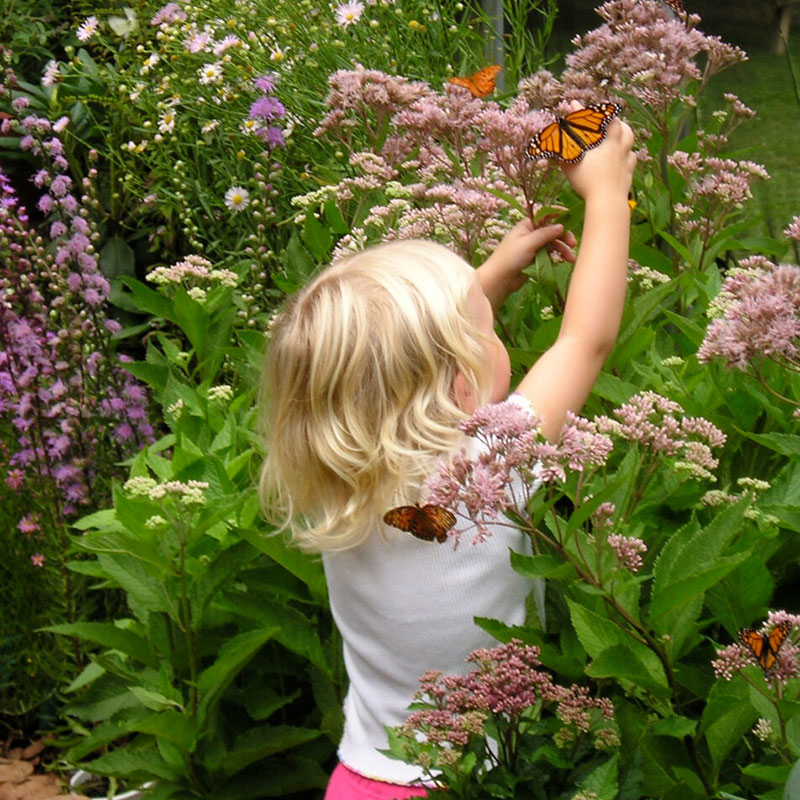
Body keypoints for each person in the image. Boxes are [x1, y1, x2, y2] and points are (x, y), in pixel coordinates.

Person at [258, 112, 636, 799]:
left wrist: (485, 279)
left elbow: (387, 367)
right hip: (470, 783)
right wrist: (606, 196)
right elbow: (587, 339)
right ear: (463, 381)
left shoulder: (334, 478)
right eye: (480, 331)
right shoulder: (489, 469)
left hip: (363, 779)